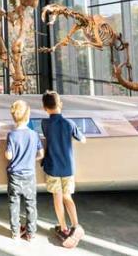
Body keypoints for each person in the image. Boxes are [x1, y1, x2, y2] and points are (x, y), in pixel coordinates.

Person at [41, 90, 86, 249]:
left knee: (57, 197)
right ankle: (76, 225)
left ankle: (64, 227)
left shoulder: (44, 123)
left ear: (45, 108)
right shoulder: (70, 124)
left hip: (52, 167)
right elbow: (82, 139)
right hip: (68, 168)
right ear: (60, 104)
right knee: (68, 197)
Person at [5, 100, 44, 241]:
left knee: (13, 203)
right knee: (31, 204)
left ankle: (15, 232)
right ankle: (31, 234)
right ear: (28, 116)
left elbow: (8, 155)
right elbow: (41, 154)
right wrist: (30, 160)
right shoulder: (34, 135)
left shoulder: (11, 135)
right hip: (29, 175)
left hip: (14, 175)